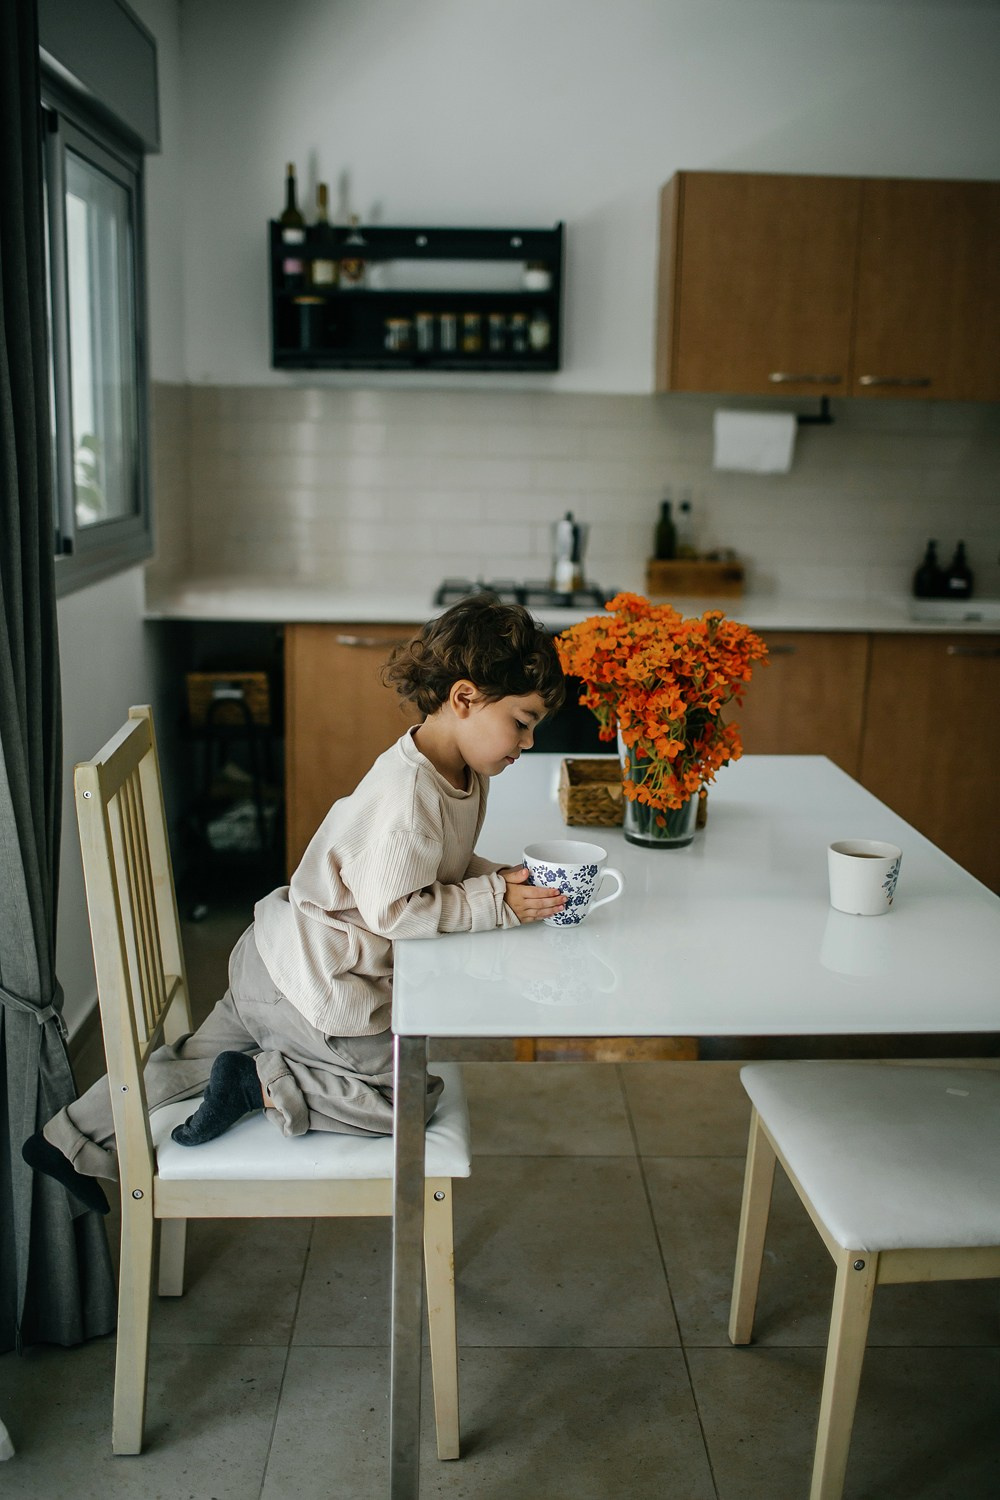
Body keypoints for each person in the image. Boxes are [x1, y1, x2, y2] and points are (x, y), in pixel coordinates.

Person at [23, 594, 566, 1215]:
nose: (525, 742)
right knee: (408, 1097)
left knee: (196, 1062)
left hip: (273, 959)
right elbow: (394, 913)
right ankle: (261, 1081)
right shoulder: (408, 795)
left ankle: (65, 1139)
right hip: (313, 989)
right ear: (465, 698)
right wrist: (493, 900)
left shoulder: (461, 770)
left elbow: (436, 865)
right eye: (522, 722)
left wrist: (498, 877)